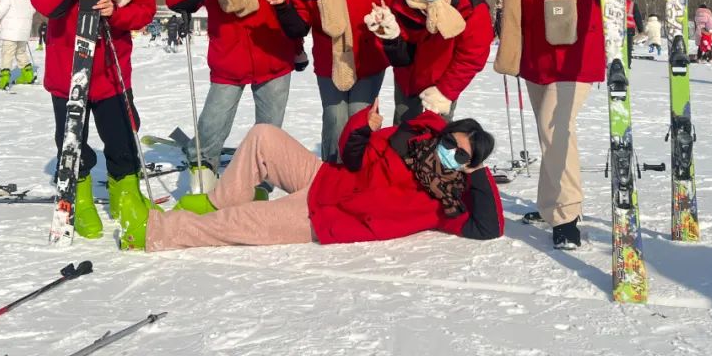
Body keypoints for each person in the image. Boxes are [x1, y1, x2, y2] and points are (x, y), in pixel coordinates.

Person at [117, 100, 504, 251]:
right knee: (263, 136)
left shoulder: (445, 203)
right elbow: (353, 156)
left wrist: (478, 175)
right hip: (324, 178)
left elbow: (489, 228)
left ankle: (153, 232)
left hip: (324, 217)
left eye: (462, 156)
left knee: (239, 224)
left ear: (469, 165)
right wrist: (363, 125)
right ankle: (218, 199)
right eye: (450, 143)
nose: (450, 154)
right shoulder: (413, 140)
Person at [493, 0, 620, 250]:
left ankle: (567, 215)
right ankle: (549, 206)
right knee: (548, 132)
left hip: (575, 52)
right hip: (535, 56)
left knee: (556, 128)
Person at [31, 0, 157, 238]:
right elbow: (45, 2)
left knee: (121, 136)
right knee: (71, 138)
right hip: (66, 71)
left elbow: (145, 8)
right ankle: (80, 196)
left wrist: (116, 12)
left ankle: (125, 192)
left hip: (110, 70)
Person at [164, 0, 298, 193]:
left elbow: (293, 6)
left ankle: (261, 183)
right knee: (212, 124)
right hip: (229, 62)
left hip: (274, 59)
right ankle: (203, 170)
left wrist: (298, 49)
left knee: (268, 131)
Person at [270, 0, 402, 161]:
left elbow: (397, 2)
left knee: (360, 116)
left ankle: (364, 171)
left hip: (368, 57)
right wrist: (282, 7)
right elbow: (299, 27)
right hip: (329, 64)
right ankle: (331, 173)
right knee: (334, 120)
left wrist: (390, 25)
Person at [365, 0, 493, 125]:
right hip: (409, 83)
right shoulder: (402, 4)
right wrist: (389, 36)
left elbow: (472, 56)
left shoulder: (471, 6)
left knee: (437, 137)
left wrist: (445, 91)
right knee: (403, 136)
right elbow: (402, 57)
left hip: (446, 80)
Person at [625, 0, 644, 67]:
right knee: (628, 48)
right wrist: (641, 29)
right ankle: (627, 63)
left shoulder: (614, 4)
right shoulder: (632, 4)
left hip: (616, 29)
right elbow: (637, 17)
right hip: (629, 29)